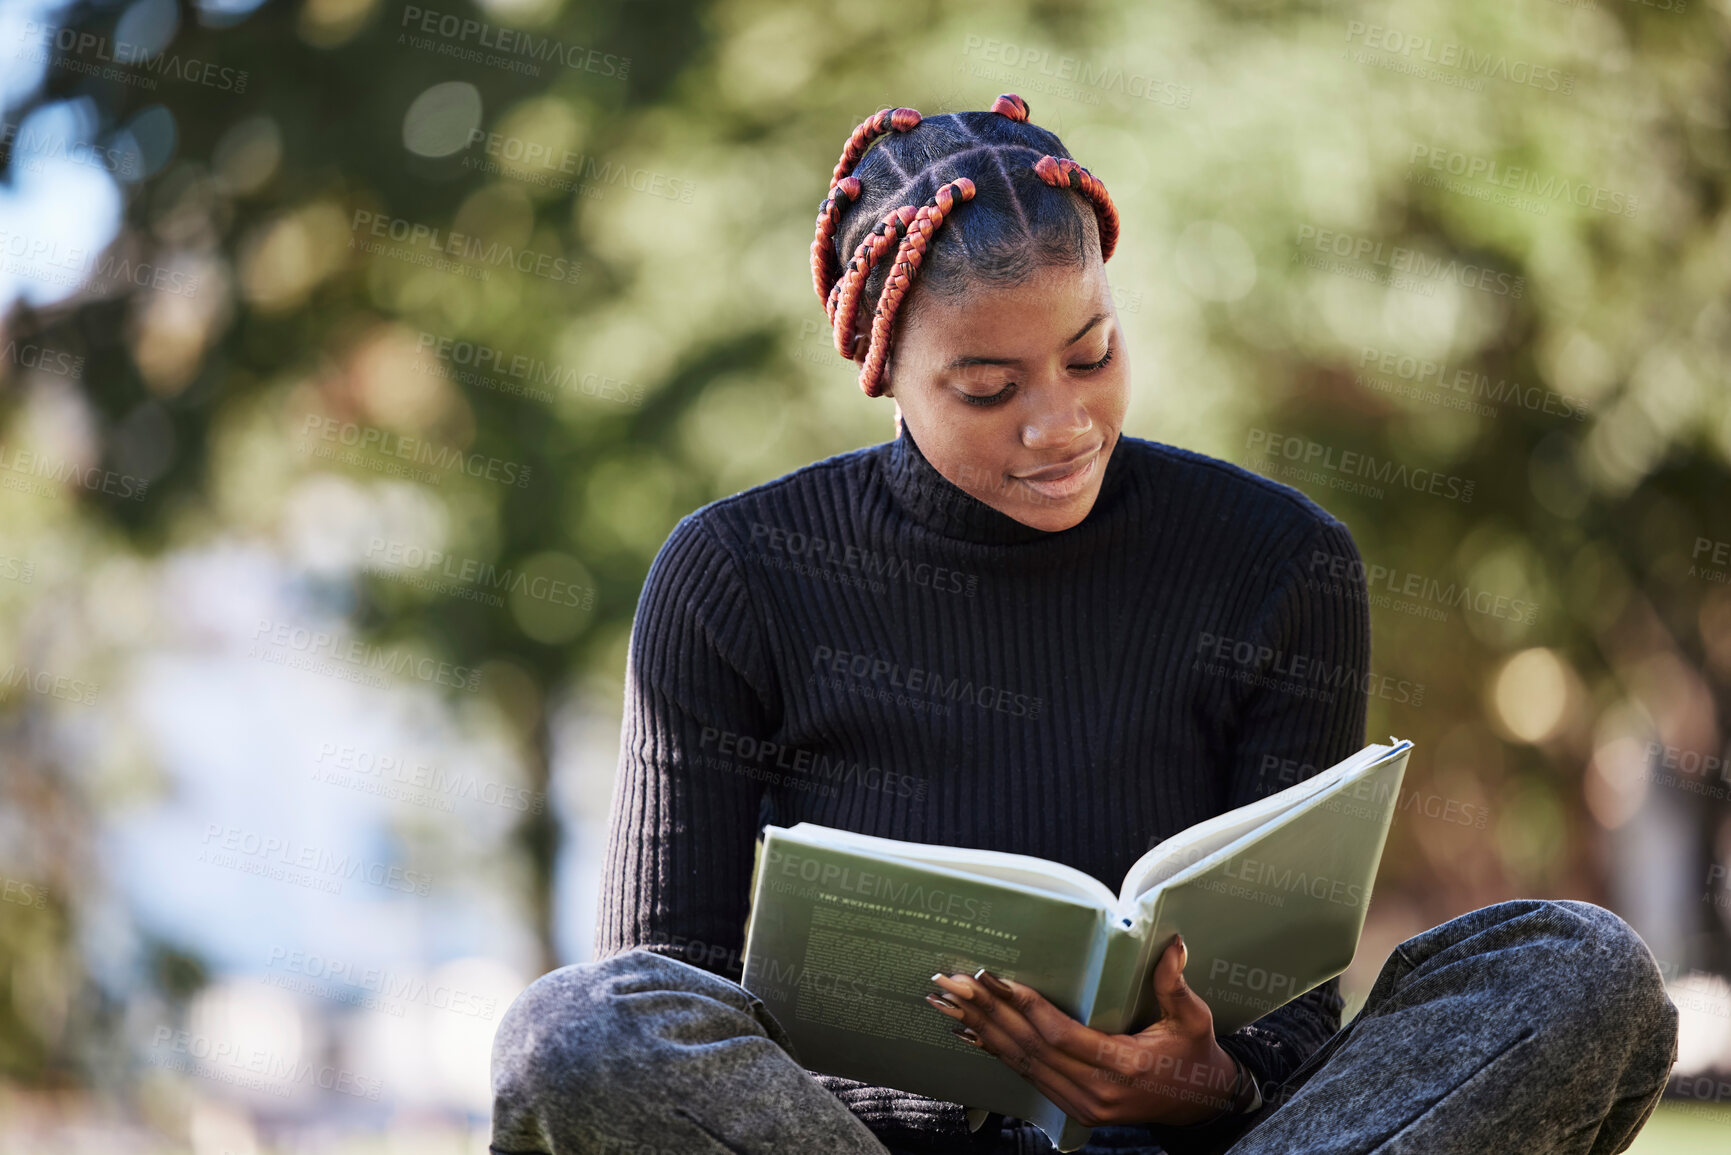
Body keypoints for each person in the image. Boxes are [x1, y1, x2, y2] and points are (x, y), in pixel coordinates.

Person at [488, 94, 1679, 1155]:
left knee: (1582, 971)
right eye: (988, 389)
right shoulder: (733, 575)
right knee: (571, 1033)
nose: (1059, 425)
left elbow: (1288, 1006)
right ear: (883, 364)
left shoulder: (1277, 560)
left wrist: (1208, 1081)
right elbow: (661, 990)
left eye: (1092, 354)